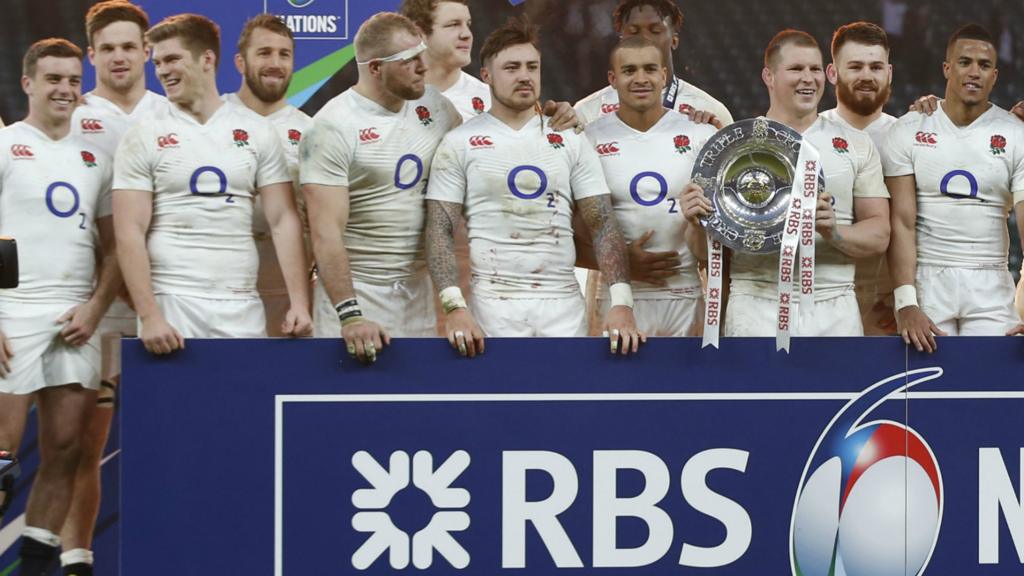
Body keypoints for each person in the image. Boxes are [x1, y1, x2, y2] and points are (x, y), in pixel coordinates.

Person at [426, 16, 642, 356]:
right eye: (511, 67)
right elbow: (440, 228)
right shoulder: (459, 142)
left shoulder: (569, 137)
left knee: (565, 406)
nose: (524, 76)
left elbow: (601, 221)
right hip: (494, 305)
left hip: (563, 304)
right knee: (500, 407)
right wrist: (454, 308)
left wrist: (622, 302)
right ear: (486, 76)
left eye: (532, 66)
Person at [114, 13, 311, 357]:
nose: (162, 70)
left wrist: (300, 302)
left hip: (240, 300)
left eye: (173, 59)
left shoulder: (257, 131)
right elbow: (129, 229)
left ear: (207, 60)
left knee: (244, 406)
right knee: (176, 410)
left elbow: (282, 220)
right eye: (158, 62)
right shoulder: (143, 134)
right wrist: (149, 315)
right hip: (172, 300)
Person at [0, 38, 118, 576]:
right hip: (12, 311)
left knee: (67, 452)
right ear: (27, 84)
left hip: (74, 318)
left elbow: (118, 245)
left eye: (73, 80)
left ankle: (33, 569)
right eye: (53, 79)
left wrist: (95, 309)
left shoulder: (95, 157)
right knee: (3, 463)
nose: (65, 89)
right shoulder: (6, 145)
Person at [686, 30, 890, 338]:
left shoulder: (856, 144)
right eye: (796, 69)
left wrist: (834, 232)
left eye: (815, 69)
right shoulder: (734, 148)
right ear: (768, 75)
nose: (808, 78)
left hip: (832, 300)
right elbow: (702, 251)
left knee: (841, 389)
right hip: (756, 298)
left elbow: (880, 234)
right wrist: (693, 221)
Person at [62, 3, 163, 573]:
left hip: (159, 297)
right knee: (82, 443)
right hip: (96, 298)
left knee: (171, 431)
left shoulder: (174, 110)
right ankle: (78, 558)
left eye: (130, 46)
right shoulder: (72, 116)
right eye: (109, 48)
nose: (120, 56)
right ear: (91, 55)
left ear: (148, 52)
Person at [301, 12, 464, 363]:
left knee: (415, 413)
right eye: (409, 60)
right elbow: (325, 232)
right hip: (356, 297)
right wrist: (351, 315)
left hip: (417, 296)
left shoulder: (437, 107)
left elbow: (484, 147)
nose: (424, 66)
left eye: (422, 54)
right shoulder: (332, 126)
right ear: (375, 68)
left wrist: (551, 116)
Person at [885, 24, 1024, 352]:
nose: (974, 71)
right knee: (926, 392)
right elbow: (902, 222)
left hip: (990, 280)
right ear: (947, 68)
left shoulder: (1016, 133)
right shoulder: (909, 129)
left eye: (984, 65)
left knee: (990, 390)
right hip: (928, 280)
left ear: (995, 75)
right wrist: (906, 303)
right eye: (964, 62)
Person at [582, 36, 715, 336]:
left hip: (684, 294)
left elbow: (719, 237)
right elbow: (573, 231)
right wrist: (621, 262)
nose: (640, 79)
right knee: (615, 384)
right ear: (612, 79)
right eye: (629, 70)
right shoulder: (589, 139)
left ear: (664, 76)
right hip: (617, 297)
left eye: (650, 69)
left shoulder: (700, 135)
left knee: (685, 384)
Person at [226, 14, 314, 337]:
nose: (275, 63)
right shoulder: (213, 120)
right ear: (239, 62)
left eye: (284, 54)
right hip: (222, 288)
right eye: (264, 53)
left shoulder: (311, 131)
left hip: (288, 293)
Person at [822, 21, 900, 336]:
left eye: (875, 67)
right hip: (818, 303)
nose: (866, 76)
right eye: (855, 66)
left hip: (889, 309)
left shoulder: (910, 137)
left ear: (889, 73)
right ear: (832, 72)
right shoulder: (805, 137)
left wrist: (906, 298)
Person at [574, 0, 732, 127]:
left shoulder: (711, 111)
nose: (644, 38)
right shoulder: (587, 112)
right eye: (634, 31)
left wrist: (713, 134)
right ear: (621, 41)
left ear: (674, 41)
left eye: (655, 31)